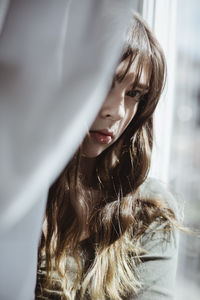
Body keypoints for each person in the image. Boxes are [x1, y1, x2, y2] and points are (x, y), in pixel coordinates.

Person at [35, 13, 179, 300]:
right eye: (103, 83)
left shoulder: (150, 211)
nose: (118, 111)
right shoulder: (19, 187)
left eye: (135, 93)